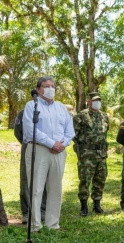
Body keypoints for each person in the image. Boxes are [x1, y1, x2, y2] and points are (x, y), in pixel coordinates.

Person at [23, 76, 75, 231]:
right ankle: (35, 225)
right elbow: (30, 130)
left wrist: (61, 144)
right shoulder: (31, 105)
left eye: (53, 86)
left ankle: (53, 224)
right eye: (46, 86)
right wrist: (52, 143)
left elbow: (70, 131)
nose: (50, 88)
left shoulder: (61, 108)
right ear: (38, 89)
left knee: (55, 189)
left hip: (59, 152)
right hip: (38, 150)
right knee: (36, 189)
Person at [73, 92, 109, 216]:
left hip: (101, 153)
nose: (97, 102)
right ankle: (83, 206)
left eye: (99, 100)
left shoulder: (104, 116)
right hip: (87, 154)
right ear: (89, 101)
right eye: (94, 100)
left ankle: (97, 204)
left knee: (100, 179)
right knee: (85, 180)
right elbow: (74, 134)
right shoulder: (81, 116)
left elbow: (105, 132)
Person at [14, 89, 47, 225]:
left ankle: (42, 209)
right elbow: (18, 133)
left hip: (45, 148)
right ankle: (27, 212)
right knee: (26, 180)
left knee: (44, 178)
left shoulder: (48, 113)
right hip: (28, 147)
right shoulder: (23, 113)